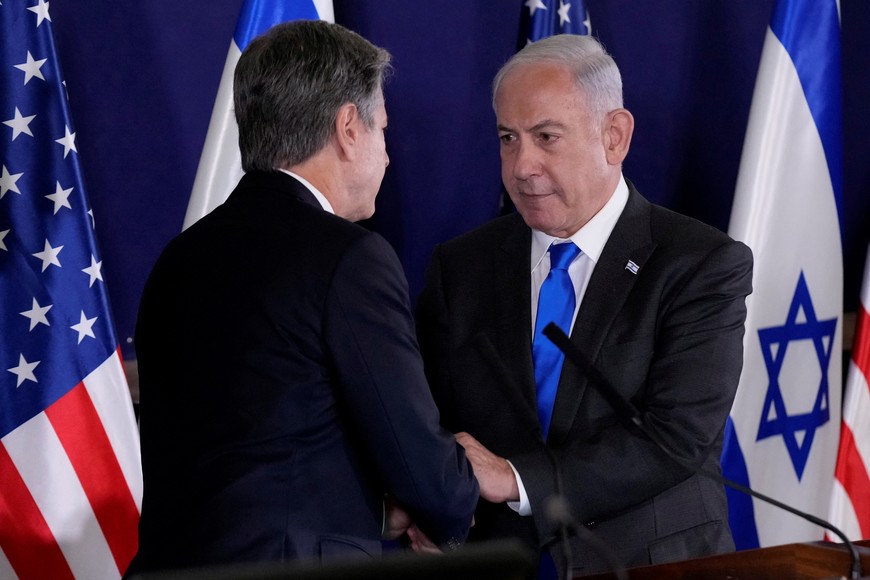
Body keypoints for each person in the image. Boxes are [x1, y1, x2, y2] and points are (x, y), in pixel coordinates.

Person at [129, 20, 478, 574]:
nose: (388, 157)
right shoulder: (349, 258)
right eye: (382, 130)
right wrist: (451, 504)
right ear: (347, 128)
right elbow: (413, 452)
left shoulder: (179, 259)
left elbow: (262, 443)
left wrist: (369, 503)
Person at [416, 34, 753, 578]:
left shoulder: (700, 263)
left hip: (648, 563)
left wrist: (516, 478)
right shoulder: (462, 266)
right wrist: (432, 506)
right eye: (508, 138)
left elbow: (677, 435)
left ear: (614, 136)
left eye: (546, 136)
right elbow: (430, 416)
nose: (522, 165)